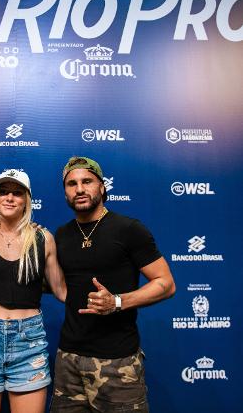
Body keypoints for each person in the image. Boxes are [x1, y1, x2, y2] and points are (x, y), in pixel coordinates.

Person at [50, 156, 175, 413]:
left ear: (102, 186)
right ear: (65, 192)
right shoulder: (61, 235)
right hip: (68, 360)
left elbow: (166, 283)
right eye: (71, 184)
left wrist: (117, 302)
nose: (80, 189)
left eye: (87, 181)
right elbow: (61, 288)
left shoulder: (128, 229)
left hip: (117, 361)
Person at [0, 169, 66, 413]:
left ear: (27, 200)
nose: (9, 198)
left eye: (17, 193)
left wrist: (114, 300)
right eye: (3, 192)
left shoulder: (43, 238)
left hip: (29, 342)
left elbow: (61, 291)